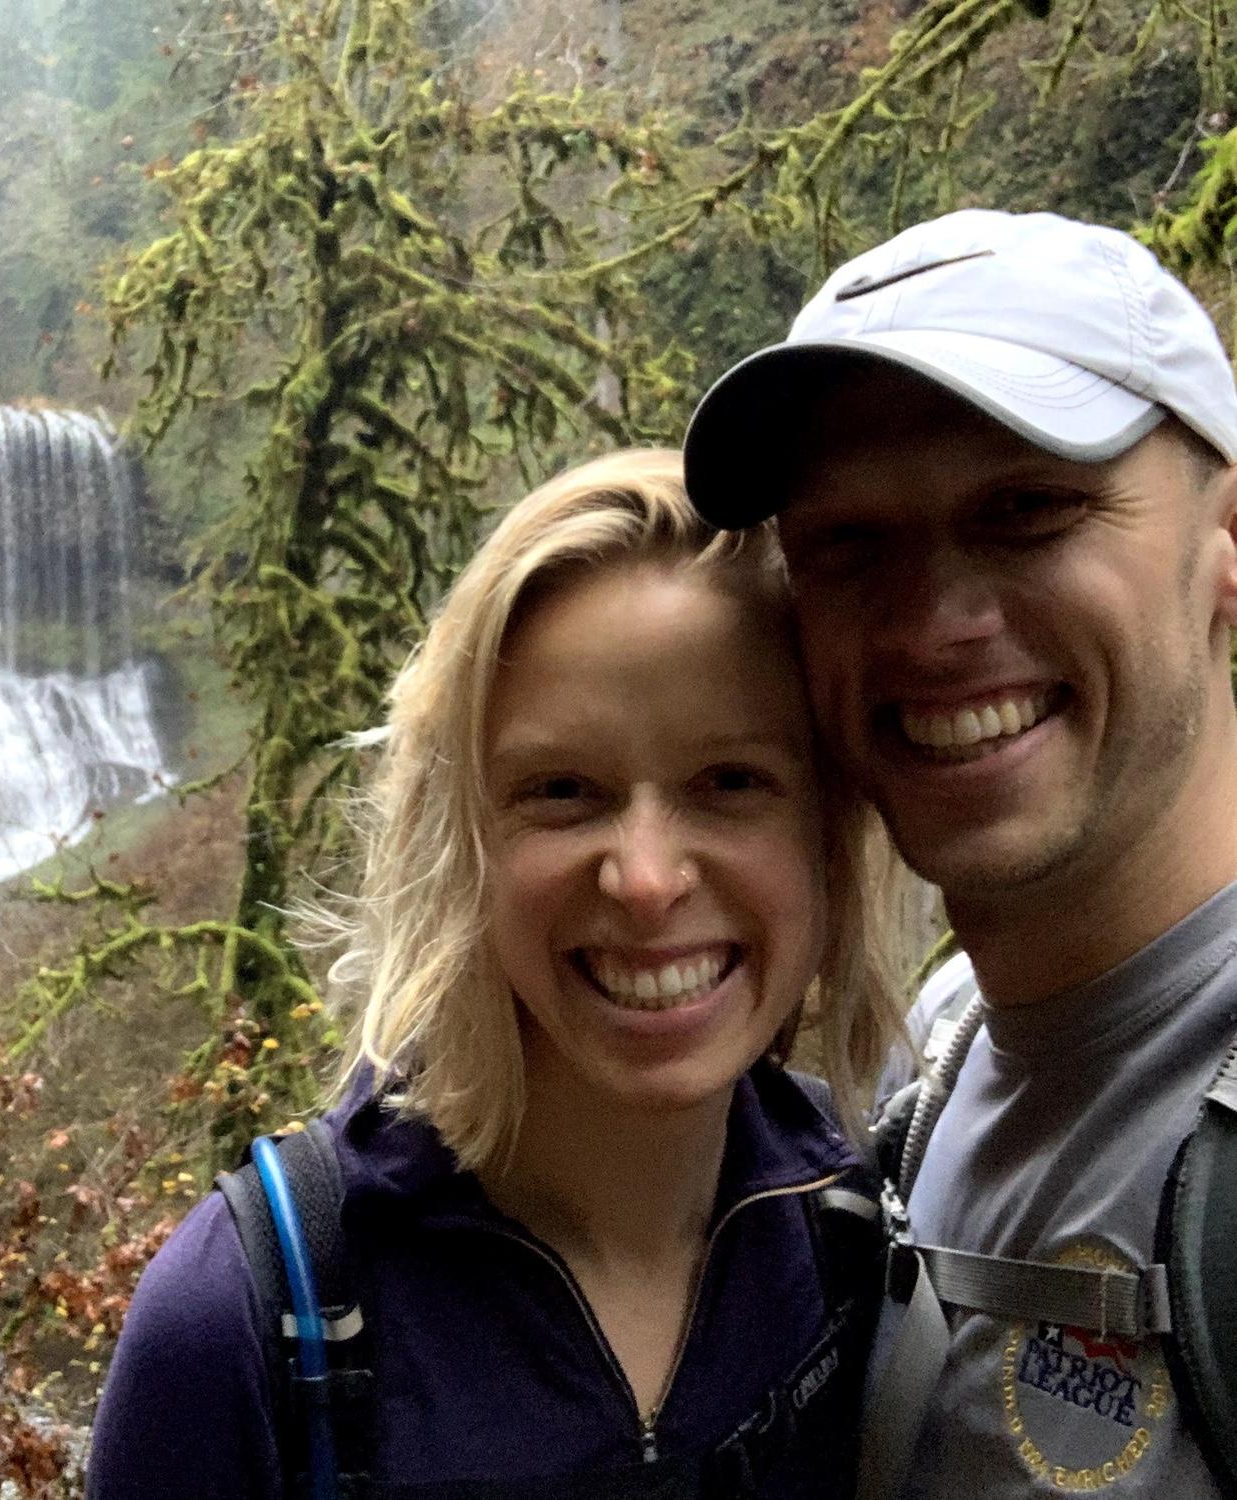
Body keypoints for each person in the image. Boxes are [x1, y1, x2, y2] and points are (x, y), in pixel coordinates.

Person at [85, 448, 907, 1498]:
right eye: (562, 789)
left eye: (731, 780)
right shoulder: (241, 1328)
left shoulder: (859, 1240)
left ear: (827, 835)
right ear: (458, 843)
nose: (646, 879)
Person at [683, 208, 1237, 1497]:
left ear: (1225, 550)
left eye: (1028, 510)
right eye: (848, 546)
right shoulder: (926, 1059)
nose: (933, 628)